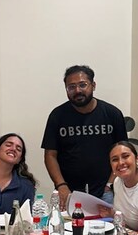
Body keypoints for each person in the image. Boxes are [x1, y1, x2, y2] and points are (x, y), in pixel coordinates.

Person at [41, 64, 127, 210]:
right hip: (69, 192)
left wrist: (110, 184)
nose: (77, 90)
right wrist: (61, 185)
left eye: (82, 85)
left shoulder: (112, 114)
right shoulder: (57, 116)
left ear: (93, 85)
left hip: (106, 191)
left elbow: (122, 154)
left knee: (108, 225)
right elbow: (50, 155)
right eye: (71, 87)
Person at [110, 141, 138, 231]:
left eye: (125, 156)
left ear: (137, 159)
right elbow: (120, 217)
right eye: (115, 159)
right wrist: (109, 214)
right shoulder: (117, 181)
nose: (120, 162)